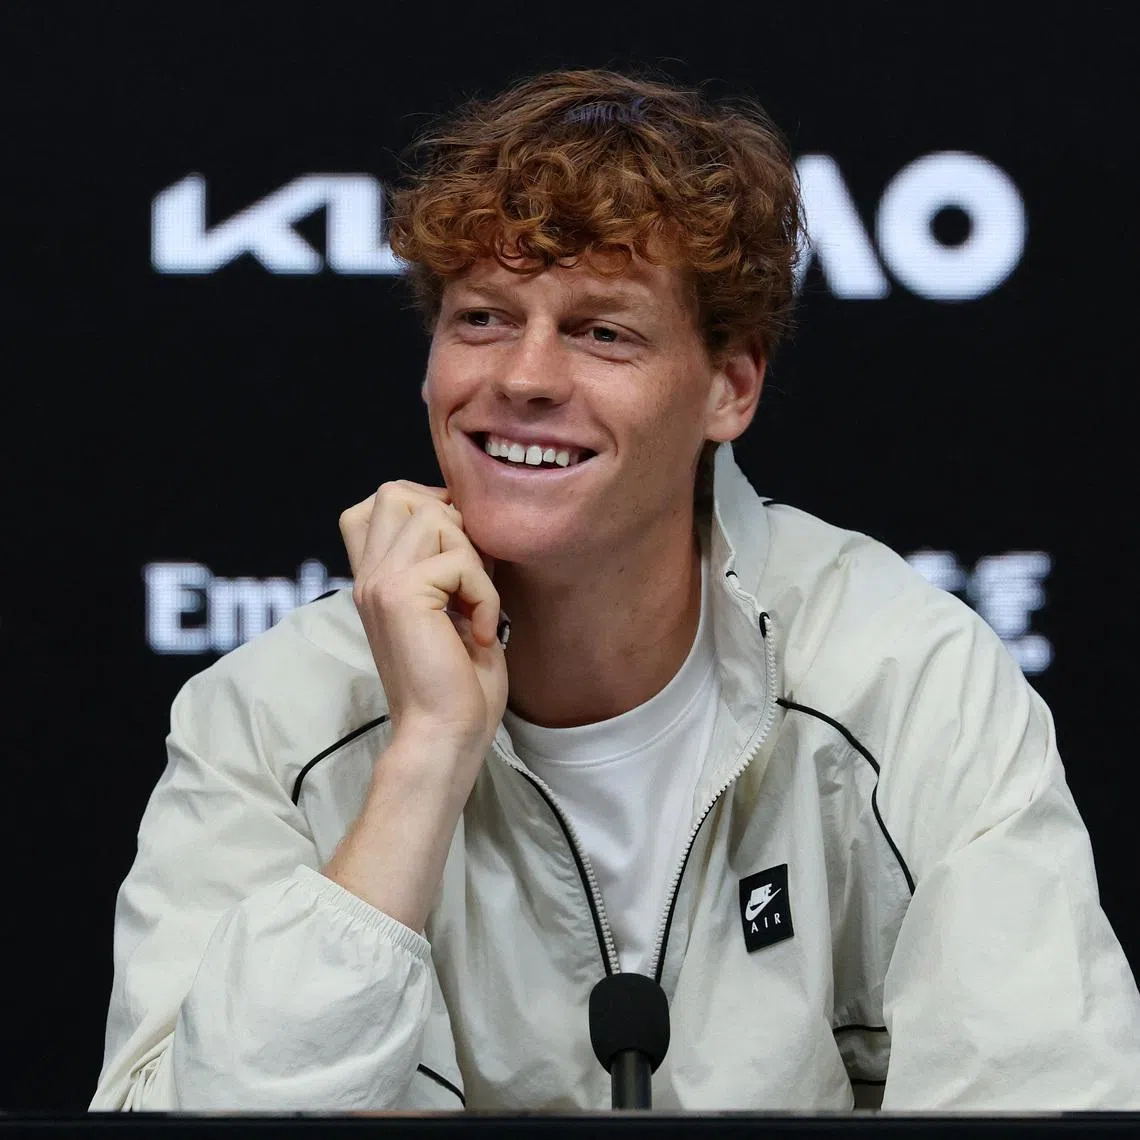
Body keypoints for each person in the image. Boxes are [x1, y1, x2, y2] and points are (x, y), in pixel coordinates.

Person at [92, 69, 1140, 1113]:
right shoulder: (271, 717)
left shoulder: (907, 680)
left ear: (730, 387)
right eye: (483, 319)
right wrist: (426, 754)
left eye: (604, 332)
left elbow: (1043, 1094)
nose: (524, 378)